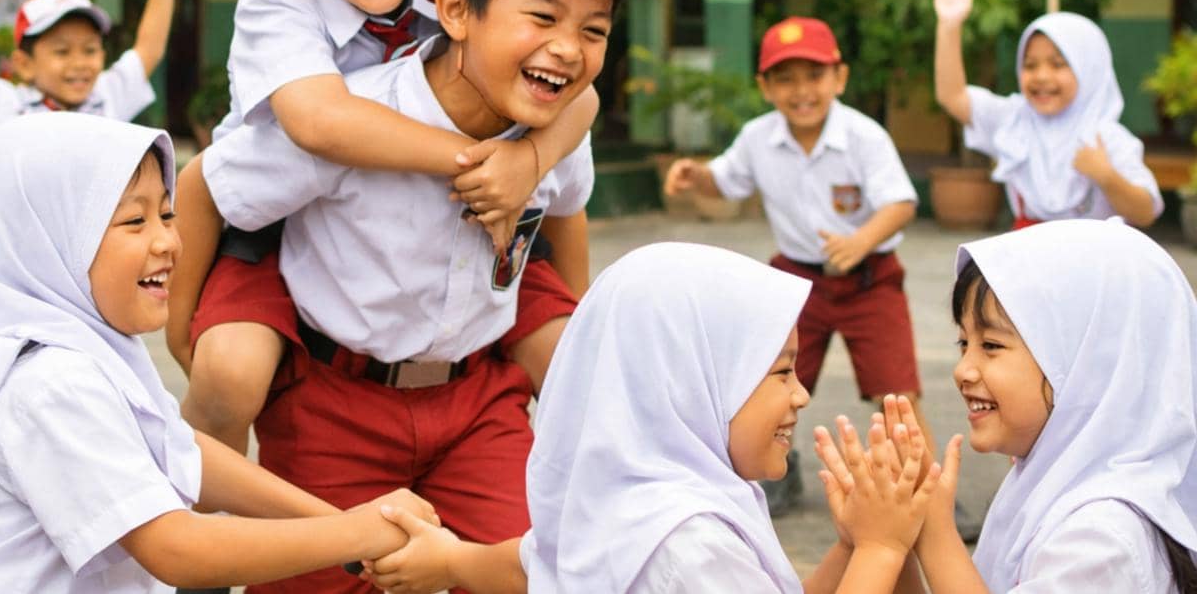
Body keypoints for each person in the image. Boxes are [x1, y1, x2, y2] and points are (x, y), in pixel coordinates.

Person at [195, 0, 671, 593]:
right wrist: (182, 331)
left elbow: (566, 214)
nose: (568, 50)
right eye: (542, 17)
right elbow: (208, 184)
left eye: (594, 29)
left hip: (480, 400)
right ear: (453, 9)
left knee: (546, 568)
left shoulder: (555, 128)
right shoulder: (347, 121)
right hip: (336, 405)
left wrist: (569, 354)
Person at [166, 0, 598, 456]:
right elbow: (319, 121)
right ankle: (195, 518)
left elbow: (577, 92)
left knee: (583, 368)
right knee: (228, 374)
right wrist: (486, 160)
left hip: (466, 211)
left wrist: (531, 162)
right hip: (285, 210)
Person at [0, 112, 445, 592]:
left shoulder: (90, 348)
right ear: (47, 239)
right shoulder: (52, 382)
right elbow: (176, 549)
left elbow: (180, 450)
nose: (168, 241)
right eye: (134, 220)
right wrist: (354, 533)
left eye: (167, 215)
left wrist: (348, 519)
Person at [364, 242, 940, 593]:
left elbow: (536, 569)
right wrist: (881, 550)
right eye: (781, 372)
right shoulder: (686, 545)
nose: (802, 395)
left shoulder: (628, 501)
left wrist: (848, 546)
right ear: (691, 381)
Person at [832, 218, 1197, 592]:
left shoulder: (1102, 538)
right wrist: (897, 534)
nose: (963, 370)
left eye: (990, 345)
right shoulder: (1048, 483)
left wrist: (934, 532)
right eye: (963, 343)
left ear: (1088, 364)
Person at [664, 16, 933, 518]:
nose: (801, 91)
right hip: (793, 282)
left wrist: (860, 242)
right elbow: (725, 181)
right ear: (765, 87)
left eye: (814, 75)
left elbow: (900, 203)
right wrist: (694, 174)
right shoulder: (757, 137)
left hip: (870, 280)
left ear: (840, 78)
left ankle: (927, 494)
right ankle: (770, 478)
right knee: (765, 384)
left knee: (896, 392)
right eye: (785, 78)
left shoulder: (863, 136)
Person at [933, 0, 1162, 228]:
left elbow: (1146, 213)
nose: (1041, 76)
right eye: (1030, 65)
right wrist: (949, 26)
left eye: (1058, 64)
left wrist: (1106, 175)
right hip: (1028, 258)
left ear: (1090, 70)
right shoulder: (1014, 118)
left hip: (1092, 262)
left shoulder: (1107, 139)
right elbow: (952, 97)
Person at [0, 0, 181, 122]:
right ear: (24, 64)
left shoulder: (108, 96)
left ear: (103, 54)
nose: (79, 63)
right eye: (62, 51)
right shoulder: (11, 106)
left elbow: (148, 50)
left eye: (90, 50)